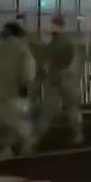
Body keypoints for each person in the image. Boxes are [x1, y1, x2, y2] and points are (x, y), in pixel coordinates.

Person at [0, 22, 37, 160]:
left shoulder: (14, 48)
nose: (2, 32)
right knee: (15, 121)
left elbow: (27, 69)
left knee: (9, 122)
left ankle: (8, 148)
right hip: (11, 91)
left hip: (10, 91)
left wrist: (24, 84)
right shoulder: (14, 47)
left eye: (5, 30)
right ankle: (25, 144)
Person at [36, 15, 83, 145]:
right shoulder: (66, 41)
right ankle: (78, 134)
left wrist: (49, 72)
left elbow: (50, 59)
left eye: (53, 25)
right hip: (67, 78)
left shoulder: (57, 42)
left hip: (58, 78)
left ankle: (37, 138)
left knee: (49, 108)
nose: (51, 27)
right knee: (72, 108)